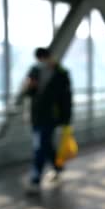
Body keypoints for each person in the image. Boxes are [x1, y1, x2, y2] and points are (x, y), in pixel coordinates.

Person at [19, 47, 72, 193]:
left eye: (43, 58)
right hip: (36, 116)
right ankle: (58, 167)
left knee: (39, 146)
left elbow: (66, 99)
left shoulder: (61, 73)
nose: (42, 62)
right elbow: (28, 93)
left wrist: (66, 120)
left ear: (49, 57)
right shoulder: (34, 71)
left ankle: (35, 180)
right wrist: (29, 86)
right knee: (46, 145)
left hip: (51, 117)